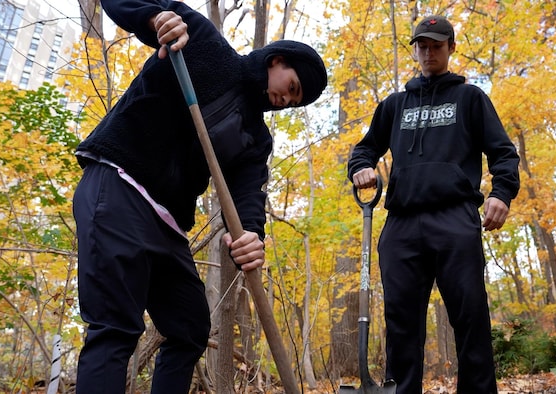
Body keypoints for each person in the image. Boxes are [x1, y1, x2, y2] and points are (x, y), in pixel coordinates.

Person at [72, 0, 327, 393]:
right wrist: (154, 19)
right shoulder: (203, 43)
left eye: (295, 102)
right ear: (276, 61)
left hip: (167, 225)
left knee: (189, 326)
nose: (286, 101)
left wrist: (252, 235)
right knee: (116, 326)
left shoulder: (256, 140)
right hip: (119, 186)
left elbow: (248, 195)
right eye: (291, 88)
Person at [347, 15, 520, 394]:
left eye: (436, 46)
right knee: (401, 322)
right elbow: (363, 149)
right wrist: (361, 168)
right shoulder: (394, 105)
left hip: (455, 218)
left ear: (451, 48)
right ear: (415, 49)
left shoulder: (470, 98)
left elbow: (504, 153)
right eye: (422, 46)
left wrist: (501, 194)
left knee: (470, 315)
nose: (428, 53)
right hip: (402, 225)